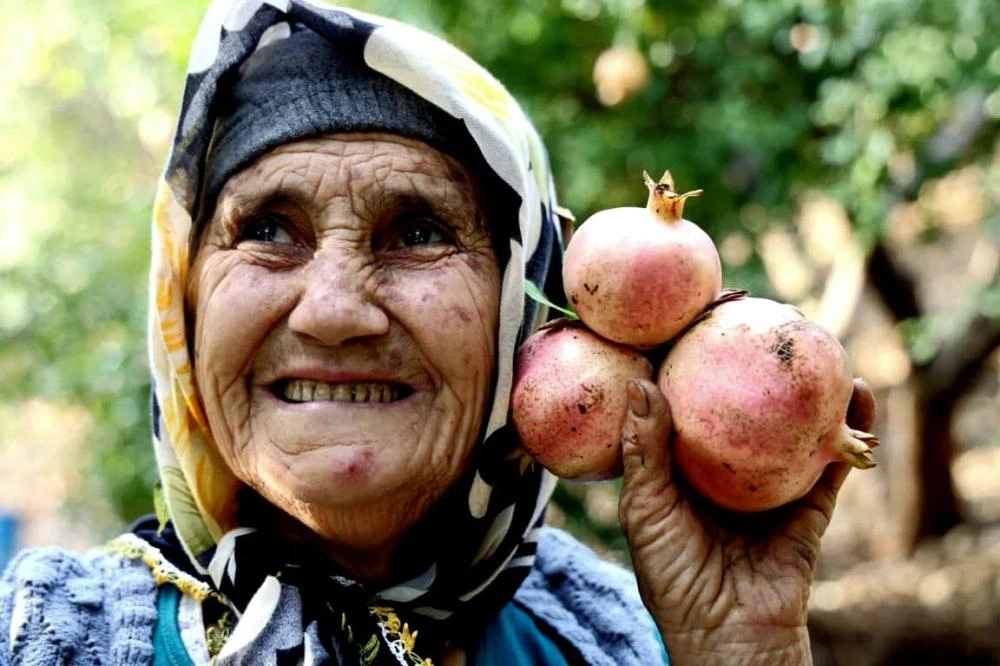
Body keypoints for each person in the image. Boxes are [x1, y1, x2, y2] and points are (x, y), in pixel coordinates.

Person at [0, 1, 877, 664]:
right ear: (183, 301)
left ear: (520, 307)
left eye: (419, 232)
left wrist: (740, 651)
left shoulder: (618, 642)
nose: (334, 310)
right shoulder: (40, 638)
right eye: (267, 229)